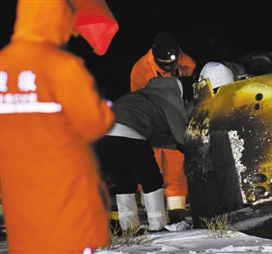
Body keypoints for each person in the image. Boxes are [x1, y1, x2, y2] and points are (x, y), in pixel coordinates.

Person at [0, 1, 115, 253]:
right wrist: (104, 105)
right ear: (56, 17)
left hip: (19, 196)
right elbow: (95, 124)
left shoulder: (3, 63)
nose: (73, 29)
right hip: (64, 193)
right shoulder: (61, 66)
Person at [96, 76, 188, 231]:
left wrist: (174, 145)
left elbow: (148, 134)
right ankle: (158, 224)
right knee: (151, 178)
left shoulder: (142, 95)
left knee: (124, 181)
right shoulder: (171, 98)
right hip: (128, 133)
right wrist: (189, 146)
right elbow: (182, 132)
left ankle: (129, 226)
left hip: (104, 134)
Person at [129, 32, 196, 223]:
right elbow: (139, 101)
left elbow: (191, 95)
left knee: (176, 167)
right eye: (163, 63)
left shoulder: (188, 63)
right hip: (151, 122)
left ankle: (177, 214)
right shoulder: (140, 69)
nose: (168, 66)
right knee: (151, 166)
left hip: (177, 120)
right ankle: (153, 212)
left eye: (171, 62)